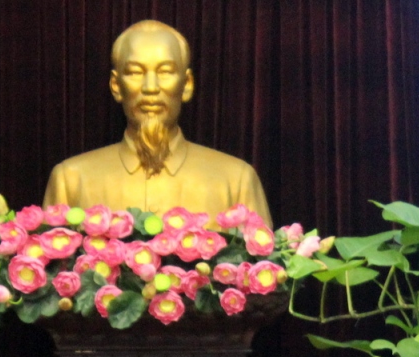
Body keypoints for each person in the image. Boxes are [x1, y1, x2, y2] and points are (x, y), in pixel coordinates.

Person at [43, 20, 272, 226]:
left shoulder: (236, 180)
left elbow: (263, 266)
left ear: (187, 84)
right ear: (116, 86)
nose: (150, 87)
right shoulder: (71, 179)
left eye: (165, 72)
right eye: (134, 72)